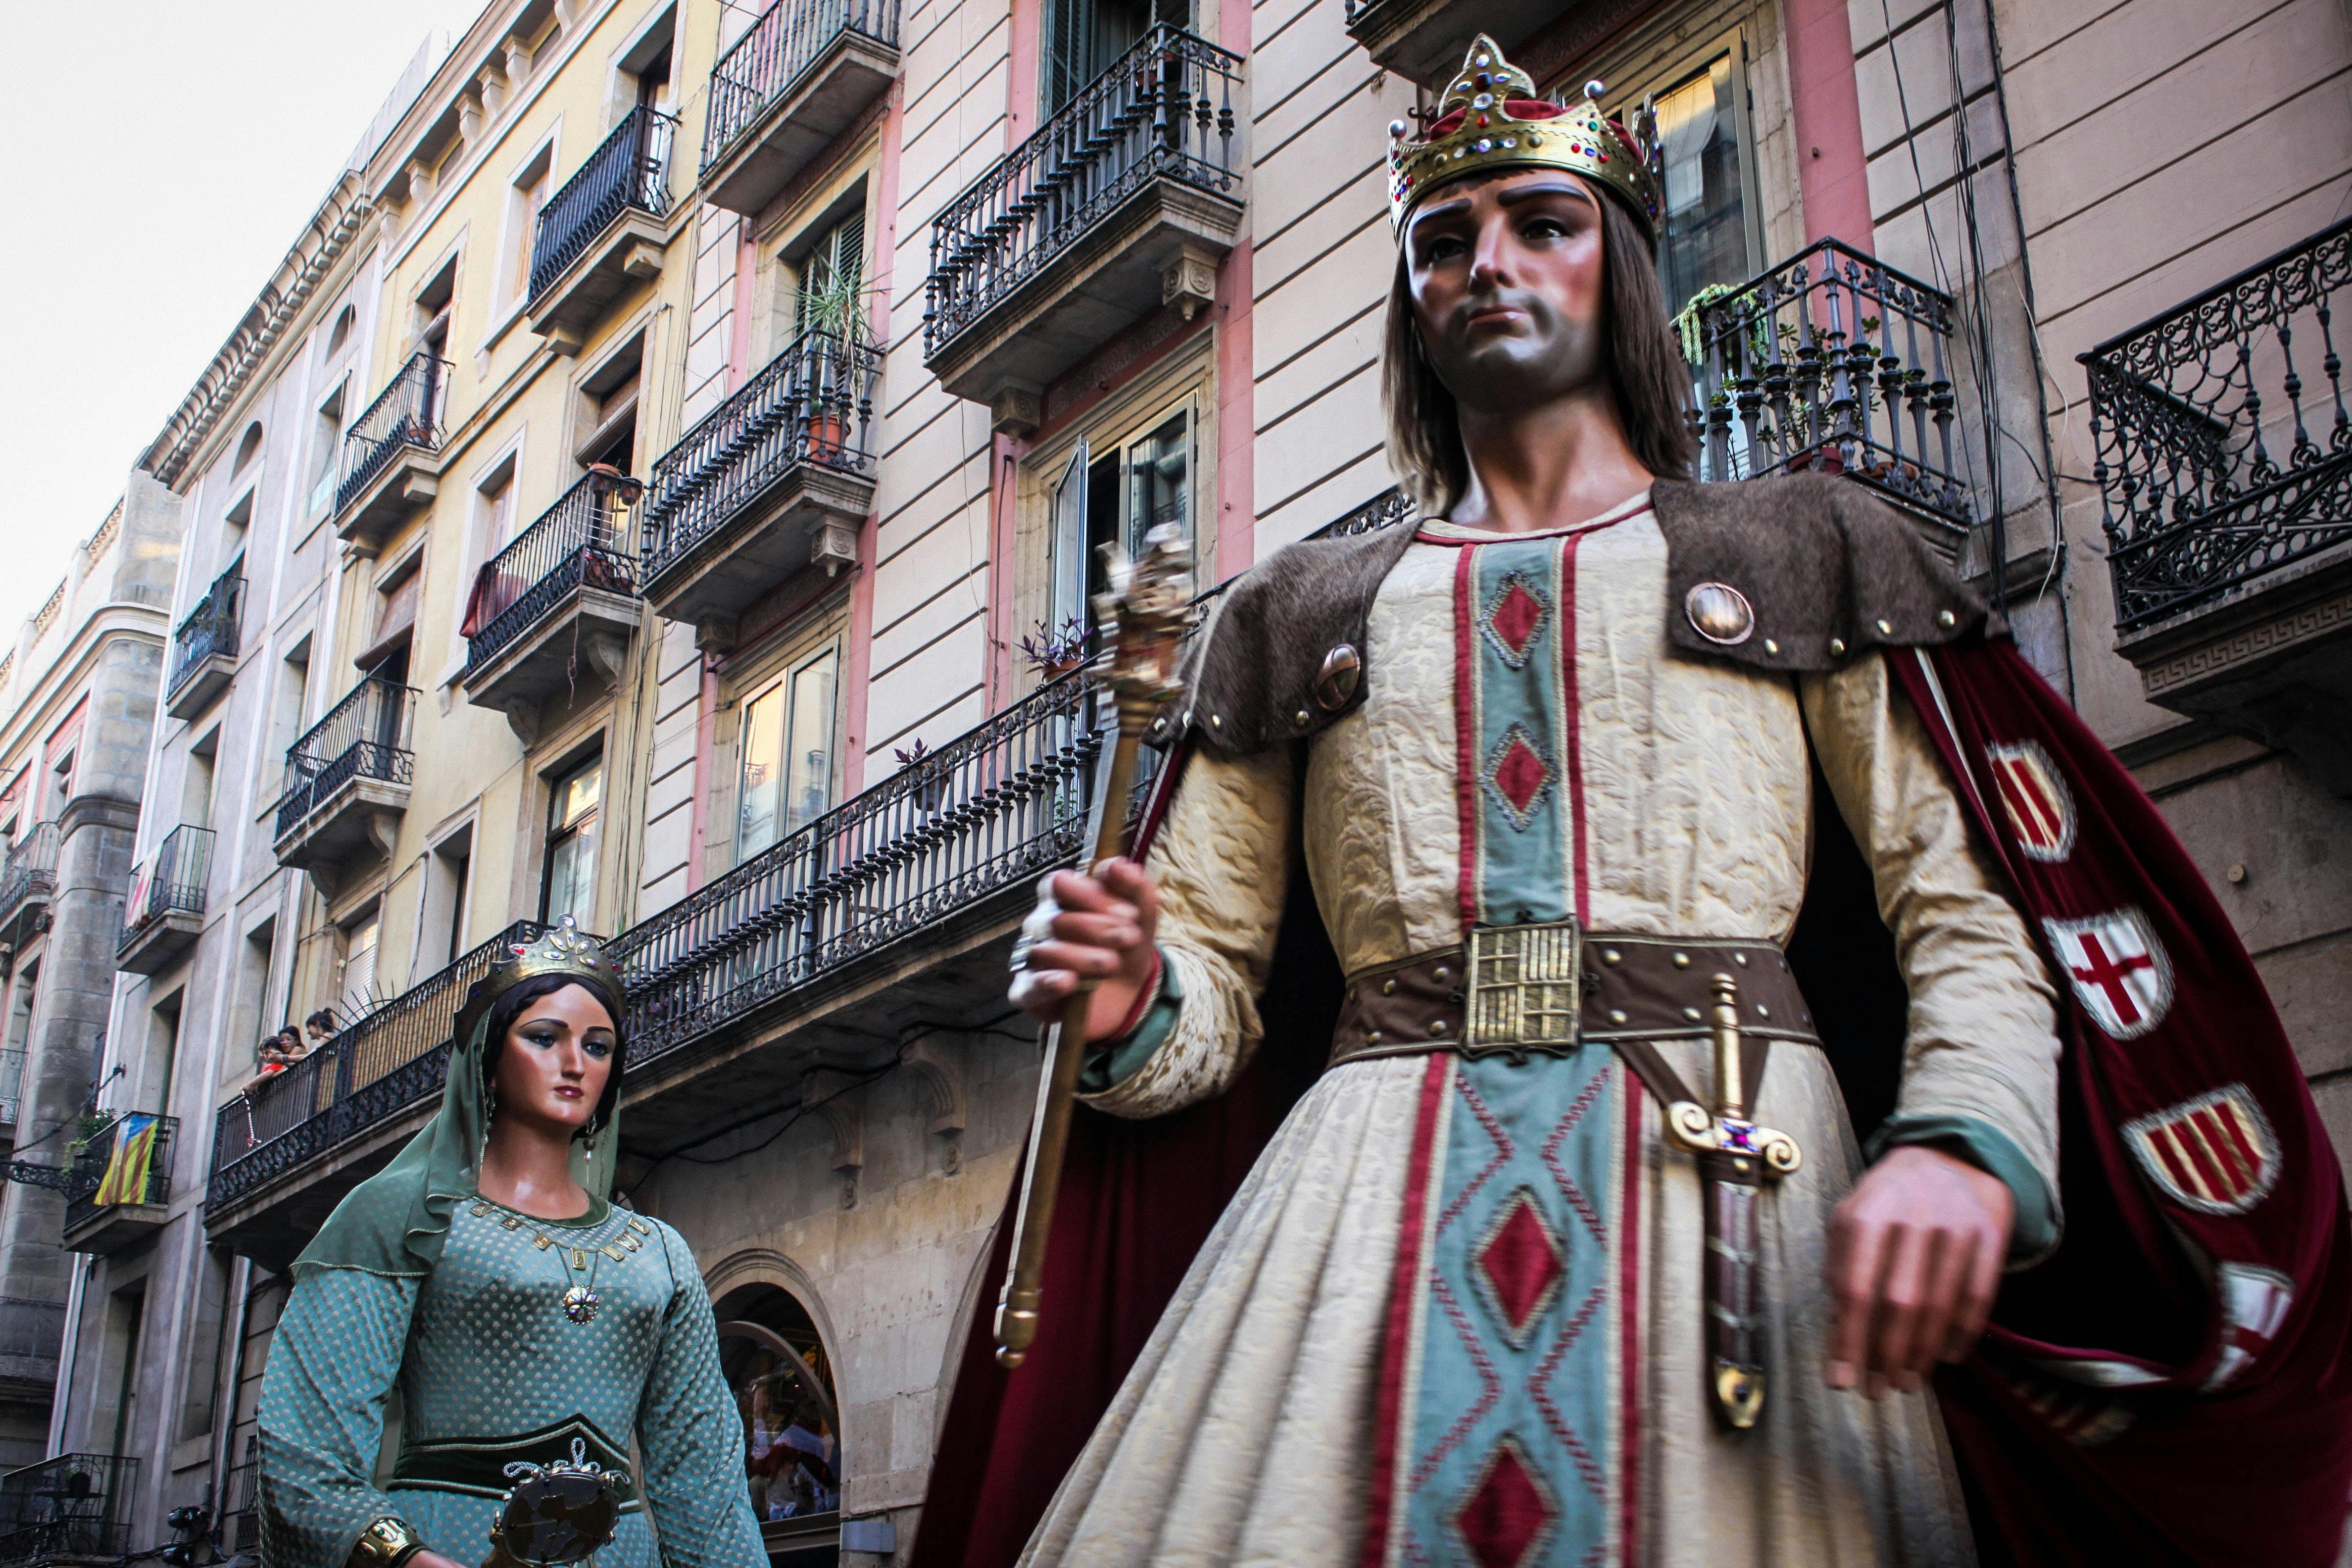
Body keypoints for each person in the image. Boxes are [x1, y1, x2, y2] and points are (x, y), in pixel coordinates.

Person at [956, 36, 2352, 1568]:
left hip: (1742, 1186)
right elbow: (1212, 996)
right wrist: (1133, 1003)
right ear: (1409, 305)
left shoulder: (1807, 545)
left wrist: (1964, 1145)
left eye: (1539, 225)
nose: (1487, 263)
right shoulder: (1291, 609)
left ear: (1620, 266)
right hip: (1359, 1197)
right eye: (1443, 240)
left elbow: (1965, 912)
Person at [256, 918, 764, 1567]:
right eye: (545, 1038)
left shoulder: (658, 1251)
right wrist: (405, 1560)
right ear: (490, 1060)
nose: (576, 1064)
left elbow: (705, 1481)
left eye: (600, 1046)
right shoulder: (403, 1215)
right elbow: (307, 1445)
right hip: (450, 1545)